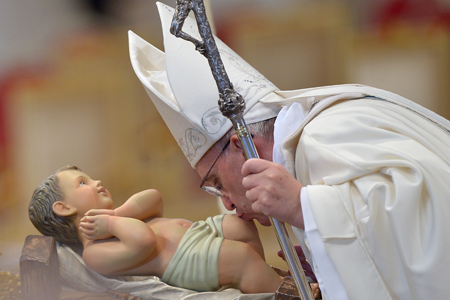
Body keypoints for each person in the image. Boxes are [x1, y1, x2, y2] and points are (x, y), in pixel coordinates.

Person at [129, 2, 450, 300]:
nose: (226, 202)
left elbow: (429, 201)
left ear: (241, 146)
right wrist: (327, 257)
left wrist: (302, 207)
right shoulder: (305, 146)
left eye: (216, 181)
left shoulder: (322, 137)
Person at [28, 165, 287, 294]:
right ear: (63, 208)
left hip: (201, 233)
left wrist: (117, 214)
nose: (96, 181)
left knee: (239, 223)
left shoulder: (120, 215)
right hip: (186, 260)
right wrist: (111, 223)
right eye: (82, 183)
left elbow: (154, 198)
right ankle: (285, 293)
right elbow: (144, 241)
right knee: (241, 258)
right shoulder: (95, 252)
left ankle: (257, 284)